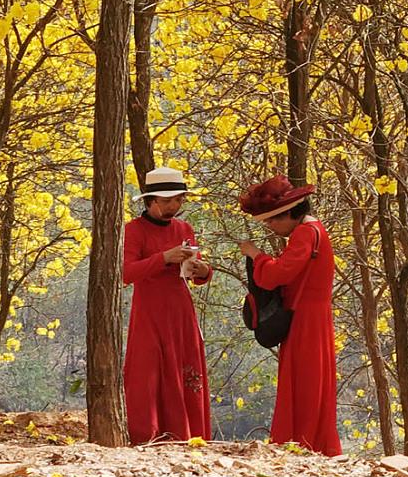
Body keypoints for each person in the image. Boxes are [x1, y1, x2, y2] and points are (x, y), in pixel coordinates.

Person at [238, 174, 340, 457]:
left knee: (304, 379)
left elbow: (276, 275)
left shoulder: (305, 233)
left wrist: (256, 255)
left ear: (288, 214)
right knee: (309, 378)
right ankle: (309, 440)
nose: (271, 227)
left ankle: (303, 440)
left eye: (272, 221)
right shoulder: (311, 229)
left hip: (306, 317)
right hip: (312, 314)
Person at [122, 167, 213, 445]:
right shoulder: (134, 230)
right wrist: (164, 258)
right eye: (167, 201)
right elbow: (126, 273)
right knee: (148, 370)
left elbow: (200, 276)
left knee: (186, 367)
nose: (173, 206)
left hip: (180, 307)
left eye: (178, 200)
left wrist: (201, 269)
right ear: (150, 201)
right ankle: (147, 435)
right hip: (149, 308)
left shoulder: (183, 228)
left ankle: (188, 434)